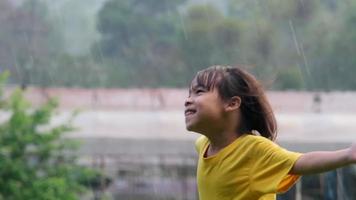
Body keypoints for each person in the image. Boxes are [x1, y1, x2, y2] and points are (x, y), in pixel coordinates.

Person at [184, 65, 356, 200]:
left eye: (199, 92)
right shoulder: (203, 144)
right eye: (189, 93)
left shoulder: (253, 150)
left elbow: (301, 161)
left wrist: (349, 155)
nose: (187, 100)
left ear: (232, 104)